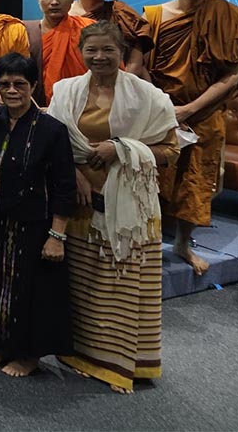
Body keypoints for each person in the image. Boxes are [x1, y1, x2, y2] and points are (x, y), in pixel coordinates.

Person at [48, 22, 179, 393]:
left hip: (130, 211)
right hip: (81, 205)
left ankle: (122, 363)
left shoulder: (148, 96)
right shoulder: (65, 91)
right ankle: (80, 354)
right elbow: (53, 143)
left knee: (121, 285)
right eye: (91, 50)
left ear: (121, 52)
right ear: (81, 52)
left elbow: (170, 151)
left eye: (108, 50)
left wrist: (121, 148)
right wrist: (75, 174)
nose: (99, 57)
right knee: (83, 285)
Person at [0, 52, 75, 379]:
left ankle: (29, 355)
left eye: (19, 84)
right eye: (4, 84)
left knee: (32, 291)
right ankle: (0, 345)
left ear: (33, 85)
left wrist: (57, 235)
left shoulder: (51, 129)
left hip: (35, 225)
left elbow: (64, 185)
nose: (12, 90)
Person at [145, 0, 238, 275]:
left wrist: (190, 109)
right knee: (152, 178)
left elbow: (232, 75)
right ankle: (146, 243)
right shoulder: (154, 16)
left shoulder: (229, 17)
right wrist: (165, 107)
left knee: (196, 181)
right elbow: (139, 68)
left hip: (205, 113)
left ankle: (183, 244)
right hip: (159, 110)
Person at [69, 0, 152, 78]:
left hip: (118, 81)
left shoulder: (121, 14)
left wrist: (120, 85)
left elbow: (134, 63)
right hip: (70, 82)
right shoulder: (64, 15)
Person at [24, 0, 93, 107]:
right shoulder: (24, 31)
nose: (54, 2)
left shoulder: (88, 29)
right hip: (34, 108)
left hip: (83, 106)